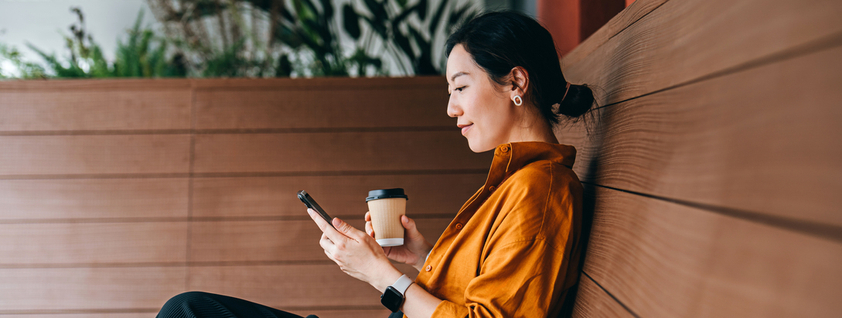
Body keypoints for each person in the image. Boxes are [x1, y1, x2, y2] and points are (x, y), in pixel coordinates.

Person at [156, 10, 593, 318]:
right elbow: (484, 290)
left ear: (515, 81)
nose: (450, 108)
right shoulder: (517, 181)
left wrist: (378, 274)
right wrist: (421, 258)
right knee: (189, 310)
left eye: (459, 87)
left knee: (187, 312)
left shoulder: (542, 190)